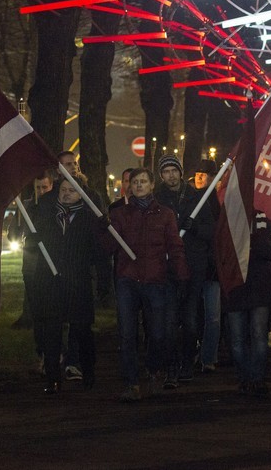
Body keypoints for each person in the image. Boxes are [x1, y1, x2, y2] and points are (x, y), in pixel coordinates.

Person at [107, 168, 189, 402]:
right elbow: (108, 247)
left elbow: (175, 247)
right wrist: (103, 228)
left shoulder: (166, 215)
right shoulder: (121, 214)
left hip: (155, 280)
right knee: (127, 334)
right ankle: (131, 382)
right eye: (135, 182)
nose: (139, 185)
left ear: (152, 185)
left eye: (143, 181)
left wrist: (182, 275)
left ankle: (155, 370)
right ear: (129, 187)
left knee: (158, 332)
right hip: (128, 280)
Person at [30, 176, 106, 394]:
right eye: (63, 189)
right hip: (51, 283)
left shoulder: (89, 218)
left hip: (78, 283)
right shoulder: (48, 214)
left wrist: (103, 282)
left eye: (71, 191)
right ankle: (53, 377)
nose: (66, 194)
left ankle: (88, 371)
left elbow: (99, 253)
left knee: (82, 331)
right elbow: (34, 241)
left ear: (80, 194)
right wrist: (32, 239)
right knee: (52, 331)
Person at [155, 155, 215, 387]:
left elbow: (211, 231)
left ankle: (187, 362)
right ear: (161, 176)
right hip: (168, 268)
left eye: (174, 170)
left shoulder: (197, 198)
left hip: (192, 267)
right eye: (166, 171)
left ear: (181, 172)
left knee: (190, 319)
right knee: (169, 321)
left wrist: (196, 227)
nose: (171, 175)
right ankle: (171, 366)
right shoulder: (158, 200)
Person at [225, 211, 271, 396]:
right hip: (235, 287)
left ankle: (257, 378)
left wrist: (251, 241)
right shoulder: (227, 221)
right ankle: (244, 378)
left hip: (259, 286)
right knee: (238, 338)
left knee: (258, 335)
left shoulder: (264, 221)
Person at [7, 170, 55, 373]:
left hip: (52, 266)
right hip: (32, 267)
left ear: (51, 186)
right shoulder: (27, 207)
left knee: (53, 313)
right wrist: (17, 226)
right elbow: (13, 234)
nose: (41, 191)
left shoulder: (56, 207)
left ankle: (55, 353)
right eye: (38, 188)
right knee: (38, 314)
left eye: (45, 187)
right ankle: (42, 353)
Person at [193, 159, 221, 372]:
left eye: (205, 174)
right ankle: (193, 352)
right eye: (198, 173)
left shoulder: (219, 201)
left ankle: (208, 357)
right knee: (193, 316)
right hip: (194, 267)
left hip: (213, 269)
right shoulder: (190, 200)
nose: (200, 177)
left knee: (213, 316)